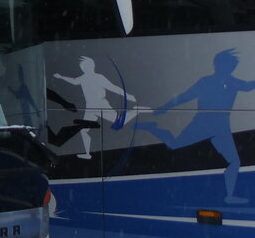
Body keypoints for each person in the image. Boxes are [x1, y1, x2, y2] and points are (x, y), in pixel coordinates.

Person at [135, 49, 255, 204]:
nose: (229, 68)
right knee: (175, 145)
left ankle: (229, 196)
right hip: (203, 123)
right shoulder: (205, 81)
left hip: (221, 126)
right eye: (226, 65)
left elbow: (248, 86)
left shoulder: (232, 82)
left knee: (234, 161)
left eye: (231, 66)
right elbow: (184, 96)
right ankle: (152, 128)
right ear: (217, 65)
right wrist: (165, 107)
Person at [52, 56, 135, 159]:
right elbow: (74, 81)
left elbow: (113, 88)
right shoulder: (83, 77)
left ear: (92, 66)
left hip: (101, 105)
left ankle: (136, 111)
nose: (83, 69)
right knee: (83, 130)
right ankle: (87, 154)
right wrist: (61, 77)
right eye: (82, 67)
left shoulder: (99, 77)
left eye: (85, 66)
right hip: (90, 107)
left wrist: (128, 96)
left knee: (119, 123)